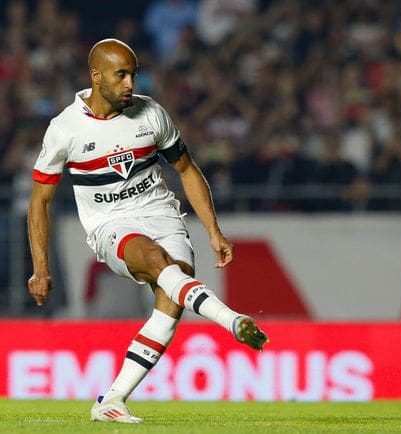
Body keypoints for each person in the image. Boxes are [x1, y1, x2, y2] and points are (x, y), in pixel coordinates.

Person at [27, 38, 268, 424]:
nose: (129, 84)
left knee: (173, 299)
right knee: (158, 263)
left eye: (133, 75)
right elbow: (39, 201)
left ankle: (113, 400)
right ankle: (231, 321)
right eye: (120, 75)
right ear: (96, 76)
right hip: (111, 224)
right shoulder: (65, 129)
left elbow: (187, 170)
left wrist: (214, 231)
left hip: (162, 213)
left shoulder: (152, 113)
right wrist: (41, 268)